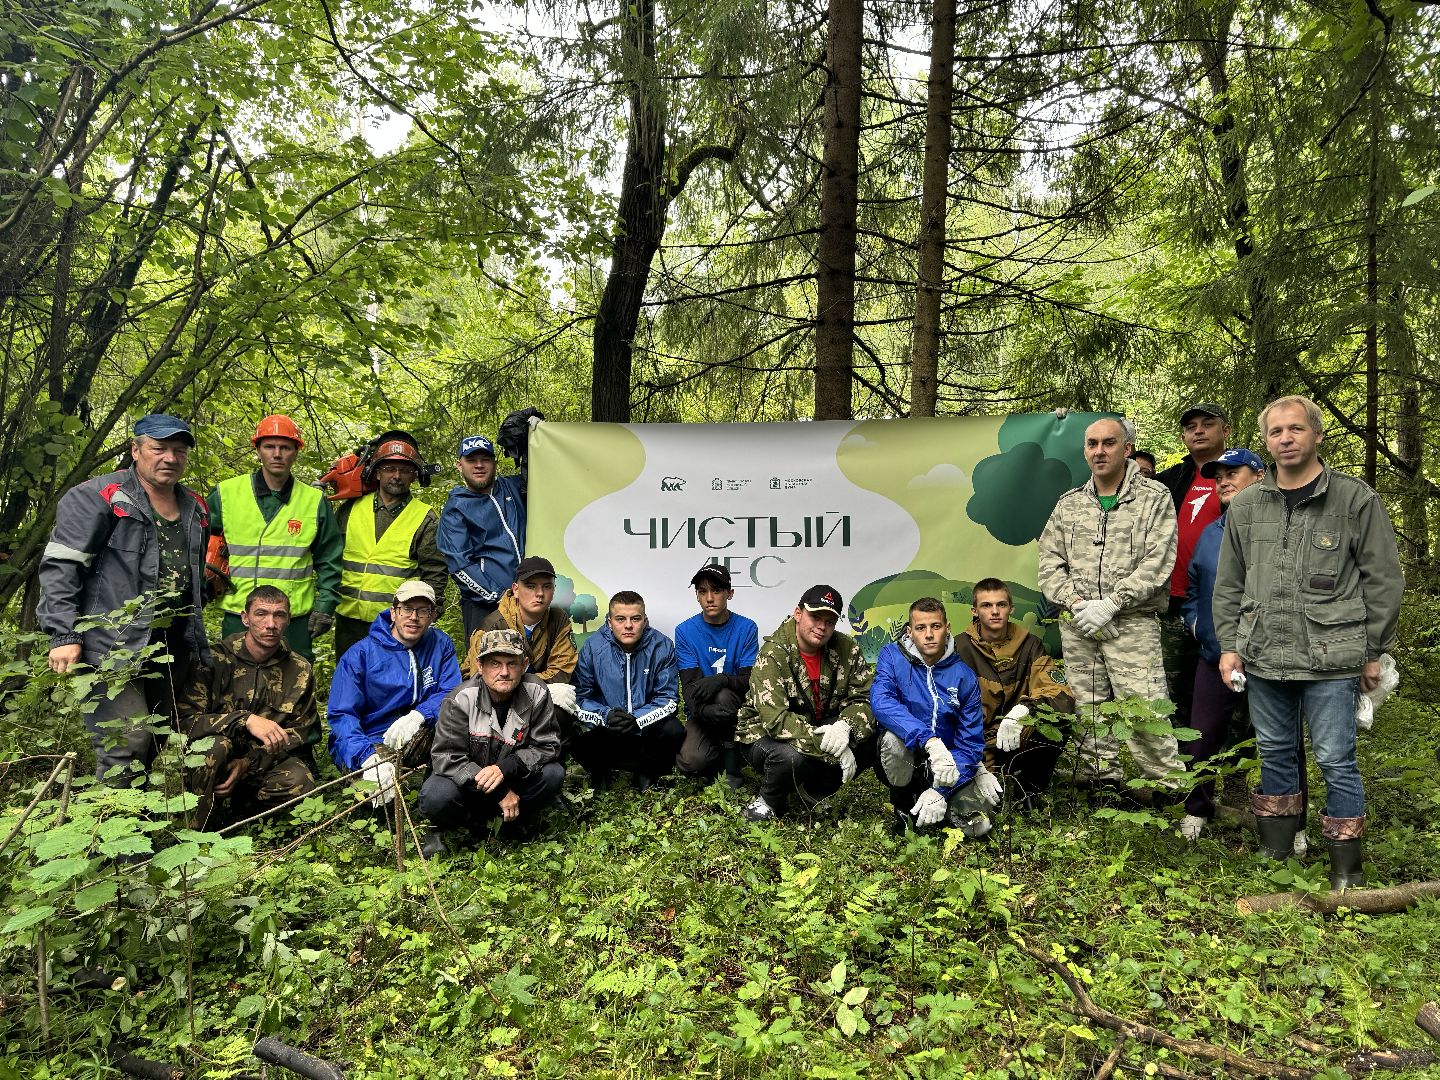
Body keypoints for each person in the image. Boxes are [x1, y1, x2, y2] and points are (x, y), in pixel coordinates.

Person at [1214, 396, 1403, 889]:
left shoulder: (1353, 499)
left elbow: (1383, 580)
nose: (1286, 439)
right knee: (1275, 752)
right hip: (1264, 656)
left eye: (1296, 429)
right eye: (1276, 432)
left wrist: (1372, 650)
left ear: (1317, 435)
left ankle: (1346, 870)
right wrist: (1230, 645)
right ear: (1267, 441)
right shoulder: (1248, 506)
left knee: (1336, 759)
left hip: (1332, 658)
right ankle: (1277, 857)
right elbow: (1230, 583)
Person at [39, 414, 211, 784]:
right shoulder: (100, 496)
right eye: (159, 448)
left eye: (179, 451)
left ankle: (135, 829)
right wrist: (64, 634)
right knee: (127, 741)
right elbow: (61, 568)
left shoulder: (195, 506)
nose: (170, 458)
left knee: (154, 740)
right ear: (135, 450)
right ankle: (104, 838)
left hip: (171, 645)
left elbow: (185, 570)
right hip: (112, 643)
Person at [1037, 417, 1186, 791]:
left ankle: (1165, 790)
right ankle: (1099, 783)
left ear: (1127, 448)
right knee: (1088, 706)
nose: (1099, 451)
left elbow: (1159, 561)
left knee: (1144, 707)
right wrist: (1077, 603)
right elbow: (1049, 563)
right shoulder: (1068, 505)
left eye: (1108, 443)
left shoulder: (1154, 498)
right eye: (1092, 444)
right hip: (1079, 626)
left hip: (1131, 624)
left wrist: (1112, 604)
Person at [177, 586, 318, 828]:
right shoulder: (213, 660)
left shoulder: (300, 669)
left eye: (279, 615)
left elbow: (301, 734)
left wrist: (248, 763)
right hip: (215, 761)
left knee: (300, 780)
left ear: (288, 620)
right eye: (261, 614)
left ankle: (242, 818)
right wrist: (244, 719)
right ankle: (196, 829)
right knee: (215, 748)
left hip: (262, 764)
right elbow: (186, 720)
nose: (270, 624)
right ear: (245, 618)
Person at [1178, 448, 1264, 842]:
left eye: (1234, 472)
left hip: (1271, 658)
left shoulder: (1279, 527)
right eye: (1218, 476)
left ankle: (1289, 822)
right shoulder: (1212, 532)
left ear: (1260, 476)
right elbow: (1194, 584)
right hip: (1215, 655)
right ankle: (1197, 810)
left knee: (1280, 743)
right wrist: (1197, 626)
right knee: (1201, 736)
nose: (1224, 480)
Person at [734, 585, 877, 821]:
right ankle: (768, 801)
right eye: (815, 617)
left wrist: (845, 728)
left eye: (830, 621)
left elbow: (866, 697)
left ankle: (813, 794)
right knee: (790, 757)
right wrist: (835, 749)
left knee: (870, 739)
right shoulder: (773, 654)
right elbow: (775, 721)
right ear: (798, 613)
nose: (822, 627)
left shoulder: (846, 649)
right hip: (762, 734)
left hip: (820, 723)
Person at [207, 415, 341, 662]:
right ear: (257, 449)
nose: (277, 454)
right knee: (231, 686)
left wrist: (325, 606)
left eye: (285, 447)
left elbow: (330, 559)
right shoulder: (226, 494)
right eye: (269, 446)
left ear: (296, 451)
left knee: (294, 689)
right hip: (240, 614)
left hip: (293, 618)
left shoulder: (313, 501)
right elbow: (201, 546)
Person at [419, 629, 565, 856]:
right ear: (480, 666)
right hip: (468, 786)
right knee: (435, 794)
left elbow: (547, 745)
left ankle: (512, 818)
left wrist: (507, 767)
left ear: (525, 664)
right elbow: (447, 758)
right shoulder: (461, 698)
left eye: (512, 664)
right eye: (495, 664)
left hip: (513, 777)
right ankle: (445, 827)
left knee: (553, 773)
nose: (504, 672)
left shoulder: (537, 691)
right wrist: (499, 792)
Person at [872, 597, 1001, 836]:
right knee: (891, 739)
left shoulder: (964, 676)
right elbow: (882, 702)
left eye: (936, 626)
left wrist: (940, 791)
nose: (929, 634)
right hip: (908, 755)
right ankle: (903, 807)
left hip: (947, 764)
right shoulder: (891, 656)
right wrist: (930, 741)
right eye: (921, 628)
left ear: (947, 628)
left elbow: (970, 744)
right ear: (910, 632)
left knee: (978, 827)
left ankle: (938, 803)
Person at [328, 580, 462, 806]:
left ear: (432, 616)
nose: (414, 617)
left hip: (420, 730)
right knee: (375, 793)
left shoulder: (440, 644)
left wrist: (419, 715)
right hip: (370, 738)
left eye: (423, 611)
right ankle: (366, 776)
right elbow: (342, 715)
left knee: (459, 730)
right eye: (407, 609)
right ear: (393, 612)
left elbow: (452, 691)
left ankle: (438, 789)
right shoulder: (360, 655)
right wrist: (366, 757)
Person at [953, 579, 1075, 807]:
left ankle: (1028, 794)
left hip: (1017, 735)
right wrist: (977, 766)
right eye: (987, 605)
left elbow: (1060, 694)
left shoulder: (1030, 645)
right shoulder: (958, 649)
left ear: (1011, 608)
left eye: (1001, 604)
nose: (995, 611)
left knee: (1056, 721)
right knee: (979, 812)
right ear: (975, 611)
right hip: (973, 745)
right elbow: (943, 711)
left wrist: (1024, 710)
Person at [333, 438, 447, 659]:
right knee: (349, 684)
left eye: (404, 470)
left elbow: (435, 572)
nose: (396, 475)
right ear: (376, 473)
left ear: (414, 476)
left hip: (395, 623)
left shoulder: (425, 518)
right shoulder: (350, 509)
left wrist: (427, 613)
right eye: (389, 468)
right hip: (348, 620)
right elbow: (328, 557)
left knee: (391, 687)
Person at [1155, 403, 1230, 733]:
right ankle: (1182, 775)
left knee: (1232, 690)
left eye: (1207, 424)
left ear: (1225, 431)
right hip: (1174, 606)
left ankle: (1232, 775)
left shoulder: (1243, 474)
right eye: (1191, 427)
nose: (1198, 430)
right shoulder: (1172, 479)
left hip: (1225, 606)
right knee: (1173, 694)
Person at [572, 591, 682, 789]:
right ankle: (601, 771)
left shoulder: (662, 645)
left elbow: (669, 699)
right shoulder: (592, 646)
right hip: (608, 730)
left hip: (645, 733)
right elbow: (580, 697)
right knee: (573, 732)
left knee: (673, 730)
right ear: (609, 622)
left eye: (635, 619)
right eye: (620, 619)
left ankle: (646, 772)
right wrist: (606, 716)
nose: (628, 625)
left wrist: (637, 720)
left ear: (645, 621)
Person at [673, 562, 759, 786]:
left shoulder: (747, 628)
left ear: (729, 594)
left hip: (735, 708)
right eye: (703, 592)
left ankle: (733, 768)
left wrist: (722, 679)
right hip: (702, 709)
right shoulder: (684, 631)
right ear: (697, 597)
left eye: (716, 591)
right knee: (690, 762)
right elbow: (690, 686)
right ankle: (721, 752)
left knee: (723, 695)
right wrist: (702, 710)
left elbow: (750, 681)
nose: (709, 598)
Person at [438, 434, 526, 649]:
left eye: (485, 459)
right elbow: (460, 565)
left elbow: (543, 470)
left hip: (529, 599)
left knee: (527, 665)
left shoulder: (513, 487)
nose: (479, 465)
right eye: (471, 460)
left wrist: (527, 439)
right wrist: (500, 597)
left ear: (495, 462)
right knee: (486, 671)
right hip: (485, 605)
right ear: (459, 465)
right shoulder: (456, 507)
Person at [474, 556, 578, 721]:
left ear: (554, 590)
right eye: (530, 586)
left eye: (547, 586)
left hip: (539, 697)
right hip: (500, 699)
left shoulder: (559, 620)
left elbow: (561, 672)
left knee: (562, 704)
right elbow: (476, 676)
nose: (540, 594)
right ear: (515, 589)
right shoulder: (493, 625)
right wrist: (529, 687)